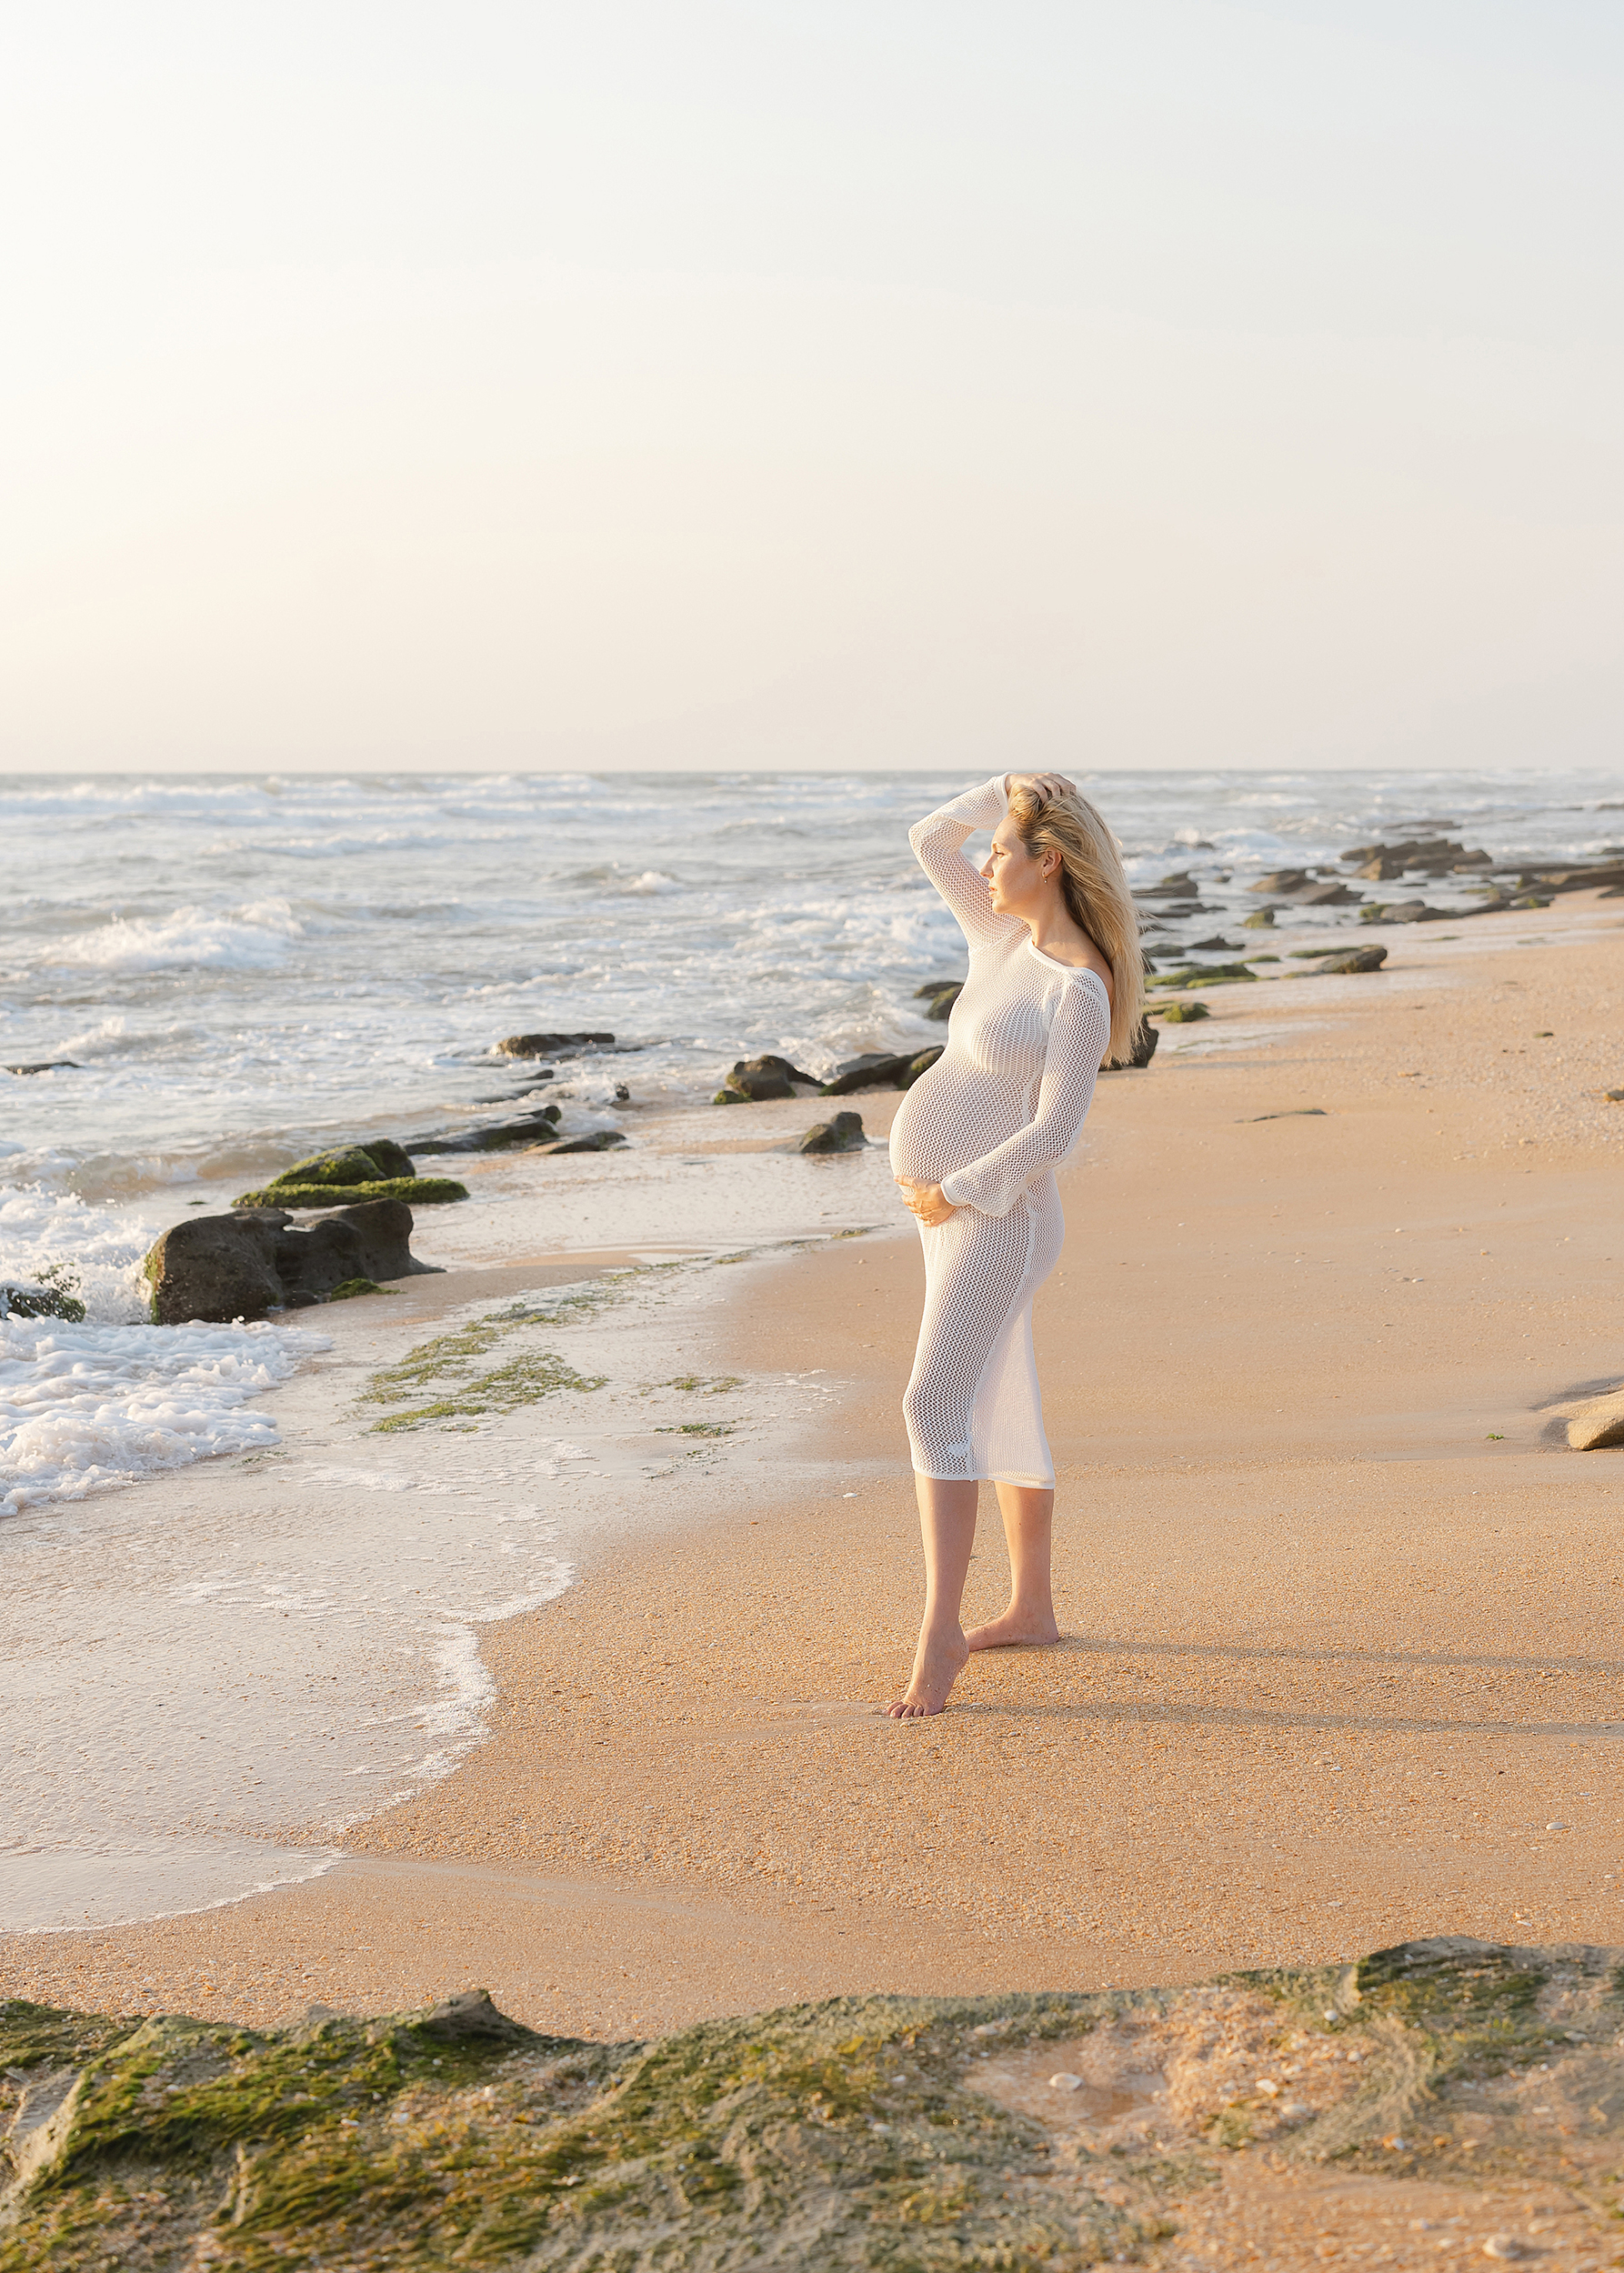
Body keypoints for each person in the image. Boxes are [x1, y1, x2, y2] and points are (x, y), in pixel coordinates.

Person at [886, 770, 1143, 1718]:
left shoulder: (1077, 989)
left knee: (931, 1401)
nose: (985, 862)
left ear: (1050, 861)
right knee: (997, 1394)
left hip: (998, 1219)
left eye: (1003, 847)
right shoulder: (999, 934)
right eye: (991, 846)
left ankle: (939, 1633)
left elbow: (1053, 1136)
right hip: (952, 1218)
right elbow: (927, 839)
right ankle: (1030, 1606)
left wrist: (949, 1189)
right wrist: (994, 786)